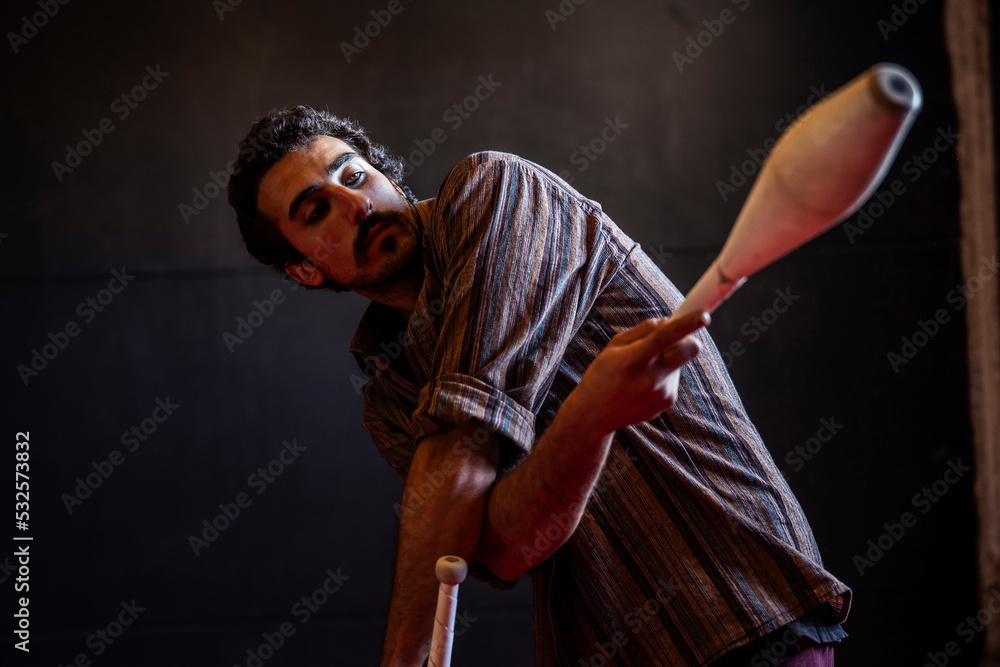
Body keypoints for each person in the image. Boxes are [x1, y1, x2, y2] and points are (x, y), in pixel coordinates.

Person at [227, 105, 852, 667]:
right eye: (317, 211)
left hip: (739, 607)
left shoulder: (496, 192)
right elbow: (502, 548)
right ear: (306, 269)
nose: (355, 205)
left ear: (386, 175)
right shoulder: (389, 398)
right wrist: (589, 419)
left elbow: (464, 436)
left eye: (354, 175)